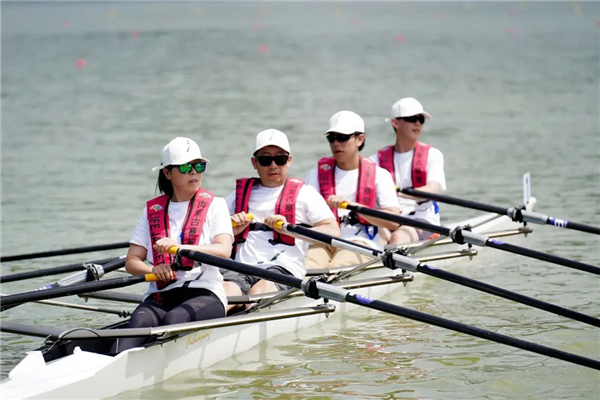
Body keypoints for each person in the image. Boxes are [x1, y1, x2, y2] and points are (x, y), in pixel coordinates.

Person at [111, 137, 233, 354]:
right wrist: (152, 270)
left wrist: (179, 247)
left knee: (173, 320)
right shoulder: (152, 211)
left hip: (205, 294)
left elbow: (224, 250)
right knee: (137, 325)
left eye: (199, 166)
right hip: (161, 296)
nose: (194, 172)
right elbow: (132, 261)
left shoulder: (216, 205)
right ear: (167, 173)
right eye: (186, 167)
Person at [223, 129, 339, 309]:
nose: (273, 166)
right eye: (265, 160)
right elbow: (213, 234)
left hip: (283, 269)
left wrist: (290, 229)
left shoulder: (305, 194)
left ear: (289, 160)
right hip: (242, 268)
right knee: (224, 294)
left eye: (280, 159)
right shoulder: (237, 195)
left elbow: (333, 231)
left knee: (258, 293)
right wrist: (231, 230)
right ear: (254, 163)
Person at [304, 110, 400, 269]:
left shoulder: (380, 175)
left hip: (361, 241)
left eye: (342, 137)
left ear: (359, 139)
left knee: (338, 268)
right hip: (324, 239)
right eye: (331, 138)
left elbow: (393, 221)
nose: (336, 143)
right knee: (308, 267)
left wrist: (354, 207)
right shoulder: (315, 175)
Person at [371, 97, 447, 245]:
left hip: (423, 219)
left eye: (421, 119)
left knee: (399, 237)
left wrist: (398, 192)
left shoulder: (433, 155)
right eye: (412, 119)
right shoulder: (375, 161)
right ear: (395, 123)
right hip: (389, 219)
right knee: (377, 238)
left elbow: (433, 189)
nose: (417, 123)